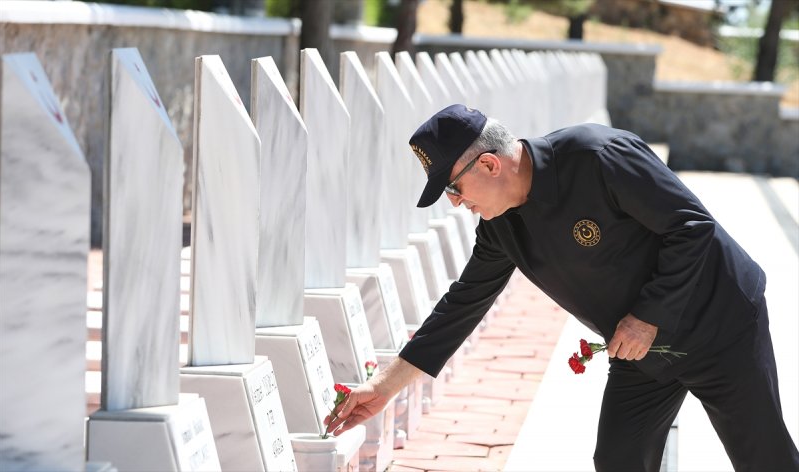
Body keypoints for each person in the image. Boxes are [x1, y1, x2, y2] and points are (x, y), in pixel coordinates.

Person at [325, 104, 799, 471]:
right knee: (618, 461)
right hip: (641, 354)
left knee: (765, 460)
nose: (456, 204)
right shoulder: (501, 226)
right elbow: (462, 305)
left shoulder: (597, 157)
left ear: (489, 165)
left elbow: (692, 227)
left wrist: (648, 316)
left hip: (720, 326)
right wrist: (384, 388)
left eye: (453, 190)